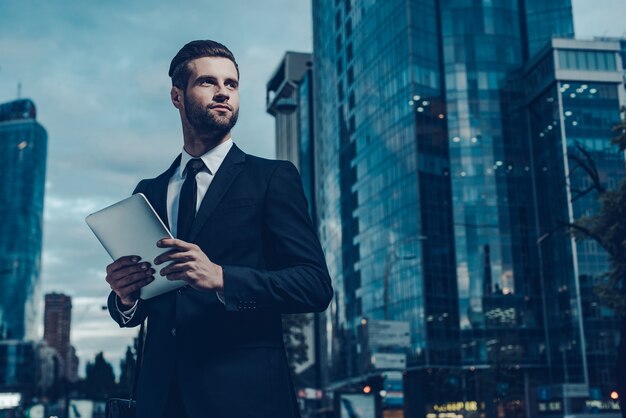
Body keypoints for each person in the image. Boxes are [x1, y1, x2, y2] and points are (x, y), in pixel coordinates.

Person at [104, 40, 333, 418]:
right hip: (160, 399)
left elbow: (314, 286)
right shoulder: (149, 192)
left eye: (232, 84)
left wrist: (222, 278)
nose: (224, 92)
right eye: (208, 82)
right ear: (177, 96)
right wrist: (125, 297)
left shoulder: (272, 178)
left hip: (246, 398)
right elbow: (143, 306)